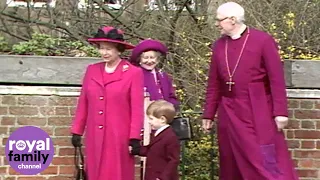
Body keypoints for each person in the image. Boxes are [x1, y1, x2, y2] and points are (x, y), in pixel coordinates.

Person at [201, 2, 299, 180]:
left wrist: (280, 112)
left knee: (260, 158)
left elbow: (276, 79)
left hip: (257, 108)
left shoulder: (262, 40)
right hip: (229, 110)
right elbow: (214, 83)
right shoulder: (218, 46)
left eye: (219, 20)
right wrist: (208, 114)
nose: (216, 24)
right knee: (230, 160)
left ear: (232, 20)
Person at [70, 26, 144, 180]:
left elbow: (137, 108)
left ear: (119, 50)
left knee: (116, 173)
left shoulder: (133, 73)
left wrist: (134, 137)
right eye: (102, 48)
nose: (104, 52)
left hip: (119, 135)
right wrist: (77, 130)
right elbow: (84, 102)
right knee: (95, 172)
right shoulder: (92, 70)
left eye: (109, 49)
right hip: (94, 134)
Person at [130, 100, 180, 180]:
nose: (149, 122)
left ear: (162, 119)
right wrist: (137, 150)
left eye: (151, 119)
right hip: (152, 175)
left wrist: (163, 177)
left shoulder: (170, 137)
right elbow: (151, 150)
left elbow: (173, 160)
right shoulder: (156, 133)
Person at [129, 39, 180, 111]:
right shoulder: (134, 75)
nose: (149, 61)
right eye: (145, 58)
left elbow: (171, 96)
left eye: (152, 58)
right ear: (140, 60)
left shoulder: (163, 76)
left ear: (157, 60)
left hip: (163, 116)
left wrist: (171, 107)